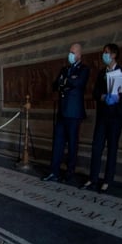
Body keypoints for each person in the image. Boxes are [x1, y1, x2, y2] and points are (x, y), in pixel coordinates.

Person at [82, 44, 122, 192]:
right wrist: (103, 96)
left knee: (112, 148)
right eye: (103, 52)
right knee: (96, 147)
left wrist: (119, 97)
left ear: (113, 55)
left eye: (106, 52)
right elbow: (95, 93)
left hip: (116, 116)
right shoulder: (102, 73)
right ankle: (92, 178)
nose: (104, 55)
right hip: (103, 115)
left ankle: (107, 180)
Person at [42, 43, 90, 183]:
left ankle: (69, 174)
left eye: (73, 52)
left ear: (79, 55)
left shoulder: (84, 69)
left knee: (72, 145)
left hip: (74, 113)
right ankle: (54, 172)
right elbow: (55, 85)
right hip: (62, 111)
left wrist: (65, 81)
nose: (70, 54)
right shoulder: (65, 69)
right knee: (57, 143)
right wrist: (66, 82)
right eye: (70, 52)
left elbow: (78, 83)